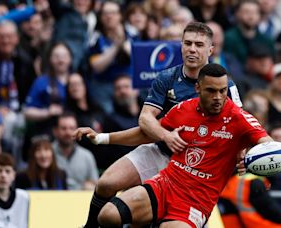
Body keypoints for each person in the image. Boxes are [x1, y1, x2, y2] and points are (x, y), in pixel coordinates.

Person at [76, 63, 281, 227]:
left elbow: (271, 148)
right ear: (197, 88)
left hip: (196, 203)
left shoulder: (239, 118)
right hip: (166, 184)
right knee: (108, 216)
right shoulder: (183, 109)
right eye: (211, 91)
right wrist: (104, 137)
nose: (218, 97)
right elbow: (146, 133)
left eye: (223, 91)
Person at [78, 21, 243, 228]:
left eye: (199, 45)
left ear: (211, 49)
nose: (192, 49)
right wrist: (166, 136)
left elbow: (240, 128)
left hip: (194, 169)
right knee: (106, 183)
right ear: (181, 46)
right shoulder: (167, 77)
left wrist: (241, 154)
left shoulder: (225, 85)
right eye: (188, 43)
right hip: (160, 150)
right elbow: (145, 119)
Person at [52, 113, 98, 190]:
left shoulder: (87, 156)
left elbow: (95, 186)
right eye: (63, 128)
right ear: (55, 131)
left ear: (78, 130)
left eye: (72, 128)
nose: (68, 132)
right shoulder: (47, 154)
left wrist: (90, 187)